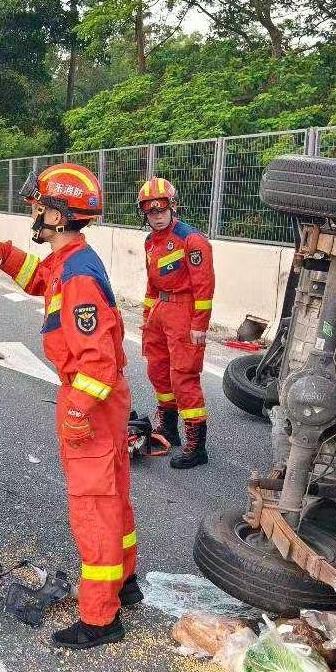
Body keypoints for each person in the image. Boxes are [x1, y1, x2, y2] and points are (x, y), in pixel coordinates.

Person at [0, 163, 140, 649]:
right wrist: (3, 255)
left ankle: (101, 619)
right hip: (100, 400)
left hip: (91, 398)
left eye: (40, 206)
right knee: (114, 496)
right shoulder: (70, 262)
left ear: (60, 215)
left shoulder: (80, 277)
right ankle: (124, 585)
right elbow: (42, 279)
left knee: (94, 507)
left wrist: (77, 411)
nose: (34, 212)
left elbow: (99, 365)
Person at [138, 177, 215, 469]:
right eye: (150, 211)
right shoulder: (149, 242)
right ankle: (169, 428)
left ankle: (197, 447)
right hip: (160, 310)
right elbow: (151, 284)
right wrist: (147, 319)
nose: (156, 215)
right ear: (144, 213)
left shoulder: (192, 240)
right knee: (158, 371)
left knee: (184, 377)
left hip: (184, 312)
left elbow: (204, 288)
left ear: (172, 207)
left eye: (161, 209)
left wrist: (199, 325)